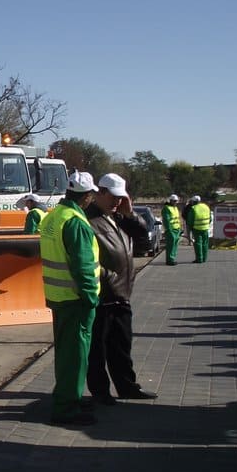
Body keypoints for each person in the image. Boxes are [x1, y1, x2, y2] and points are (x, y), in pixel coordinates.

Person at [85, 173, 157, 405]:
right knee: (98, 349)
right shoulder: (89, 220)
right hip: (104, 294)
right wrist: (109, 278)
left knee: (121, 345)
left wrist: (131, 214)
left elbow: (144, 240)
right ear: (100, 193)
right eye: (113, 197)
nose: (117, 202)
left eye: (120, 198)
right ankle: (100, 392)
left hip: (121, 293)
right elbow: (87, 259)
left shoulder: (118, 218)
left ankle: (127, 385)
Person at [40, 171, 100, 426]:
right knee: (75, 355)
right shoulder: (75, 222)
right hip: (76, 299)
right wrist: (91, 297)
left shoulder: (54, 216)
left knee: (66, 354)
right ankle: (66, 407)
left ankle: (69, 397)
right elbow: (83, 265)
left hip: (59, 297)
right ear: (86, 196)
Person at [186, 195, 211, 263]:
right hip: (205, 228)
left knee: (198, 244)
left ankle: (199, 259)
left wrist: (190, 229)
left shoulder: (193, 208)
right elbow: (210, 219)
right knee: (205, 243)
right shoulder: (206, 207)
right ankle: (204, 258)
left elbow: (190, 220)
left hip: (196, 229)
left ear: (193, 202)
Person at [161, 194, 182, 266]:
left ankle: (172, 259)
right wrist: (168, 229)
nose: (176, 202)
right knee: (170, 245)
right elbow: (166, 220)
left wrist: (180, 228)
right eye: (174, 201)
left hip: (176, 229)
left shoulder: (175, 208)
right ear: (171, 200)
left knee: (175, 245)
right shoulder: (166, 208)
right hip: (171, 230)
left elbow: (177, 219)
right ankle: (169, 260)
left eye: (176, 201)